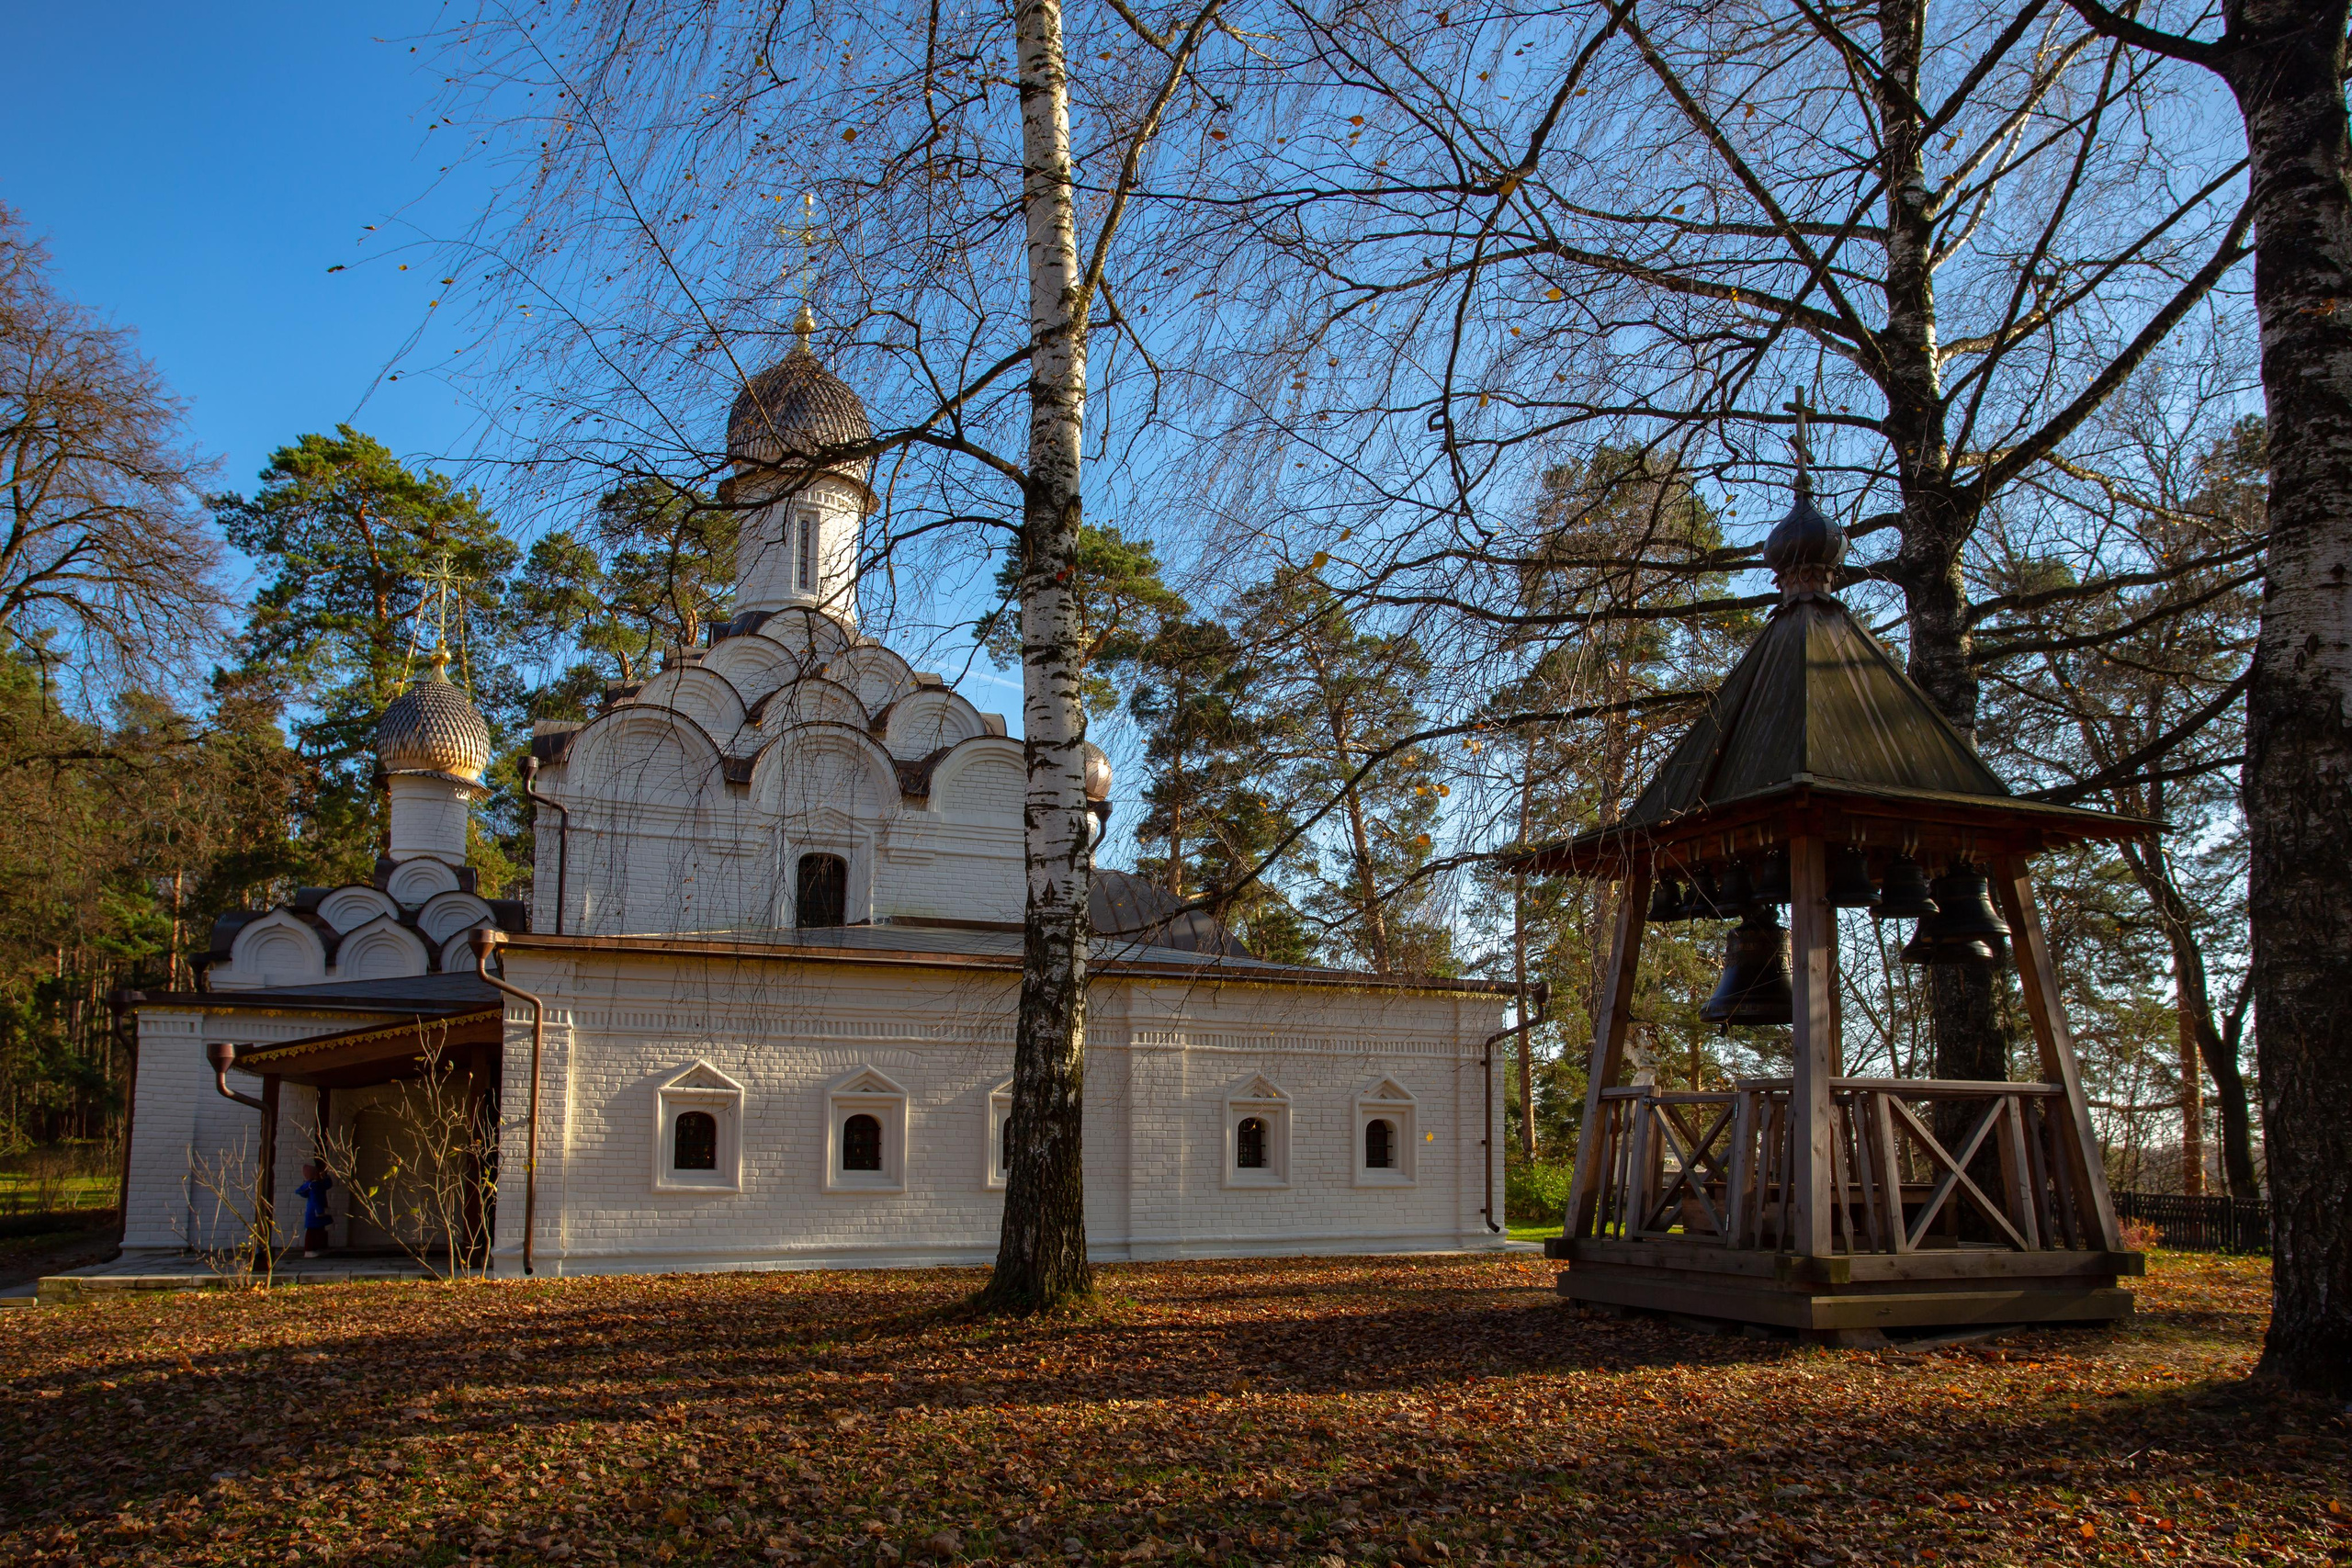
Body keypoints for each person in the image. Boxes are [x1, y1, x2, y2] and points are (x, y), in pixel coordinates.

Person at [297, 1161, 334, 1258]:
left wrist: (325, 1176)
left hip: (316, 1211)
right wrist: (320, 1211)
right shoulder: (314, 1186)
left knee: (318, 1230)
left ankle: (317, 1248)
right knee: (312, 1231)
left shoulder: (316, 1184)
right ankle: (309, 1250)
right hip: (315, 1212)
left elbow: (327, 1184)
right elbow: (315, 1199)